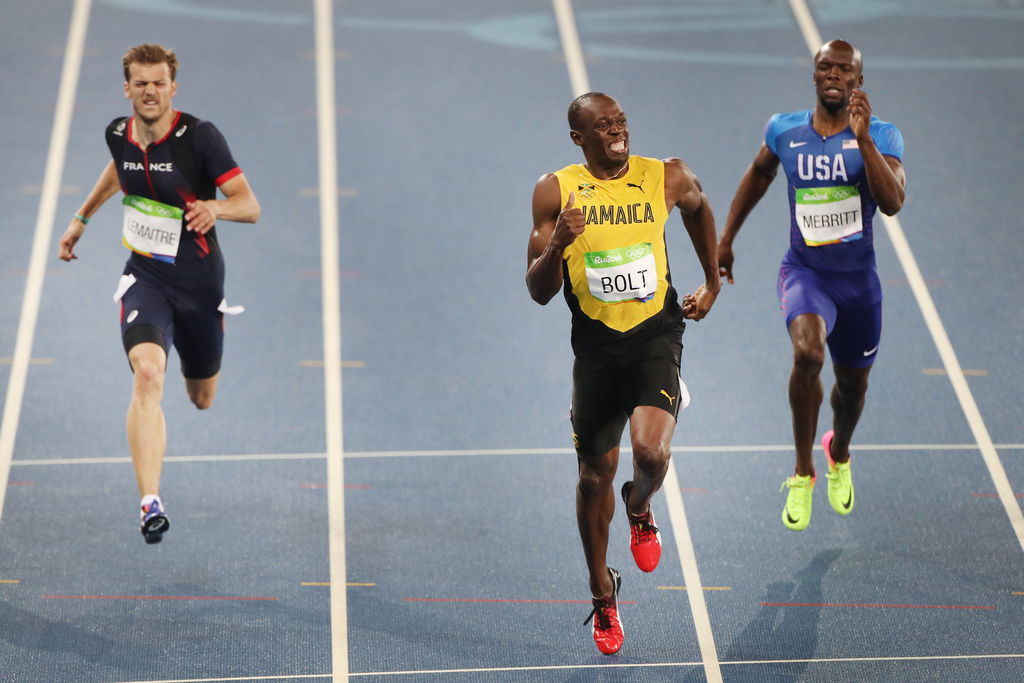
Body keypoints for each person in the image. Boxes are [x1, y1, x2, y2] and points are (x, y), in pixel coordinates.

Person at [526, 92, 720, 655]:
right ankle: (602, 592)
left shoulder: (663, 176)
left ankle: (640, 507)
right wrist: (559, 243)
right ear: (578, 138)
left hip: (656, 336)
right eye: (602, 126)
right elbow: (538, 292)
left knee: (653, 454)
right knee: (593, 478)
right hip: (596, 350)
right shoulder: (555, 191)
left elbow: (700, 206)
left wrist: (710, 281)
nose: (616, 132)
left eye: (621, 123)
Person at [57, 44, 260, 543]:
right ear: (127, 88)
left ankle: (206, 339)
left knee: (201, 398)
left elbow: (249, 205)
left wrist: (216, 209)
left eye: (159, 82)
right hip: (146, 279)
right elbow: (118, 168)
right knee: (148, 374)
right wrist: (82, 218)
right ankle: (150, 502)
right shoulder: (117, 132)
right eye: (141, 83)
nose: (150, 91)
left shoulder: (200, 138)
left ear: (173, 87)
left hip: (199, 284)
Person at [716, 40, 906, 531]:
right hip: (805, 273)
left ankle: (838, 451)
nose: (834, 75)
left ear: (858, 81)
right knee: (807, 353)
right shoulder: (786, 130)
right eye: (826, 67)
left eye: (845, 70)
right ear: (815, 74)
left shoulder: (883, 136)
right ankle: (803, 471)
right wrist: (726, 237)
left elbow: (893, 203)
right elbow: (759, 173)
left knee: (851, 389)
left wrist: (863, 141)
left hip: (859, 284)